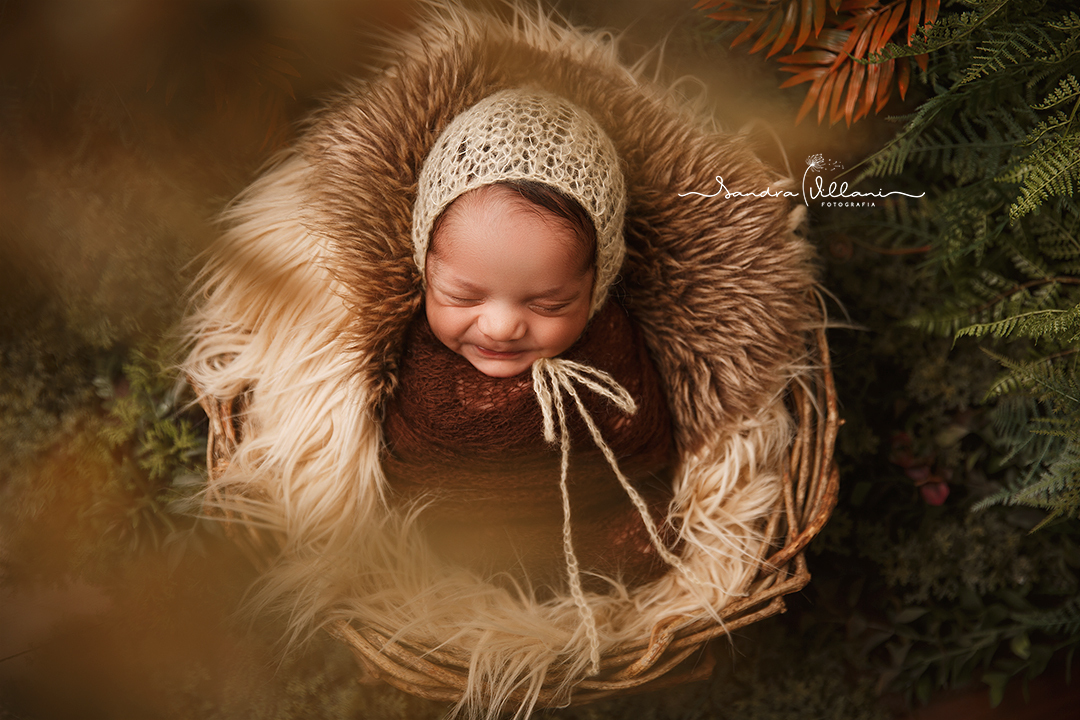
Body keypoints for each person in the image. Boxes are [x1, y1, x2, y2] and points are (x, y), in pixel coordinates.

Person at [380, 89, 682, 594]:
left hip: (589, 524)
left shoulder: (609, 344)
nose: (500, 327)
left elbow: (644, 448)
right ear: (425, 268)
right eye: (461, 295)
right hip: (453, 536)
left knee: (652, 538)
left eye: (547, 305)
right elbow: (402, 460)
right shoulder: (412, 353)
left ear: (596, 287)